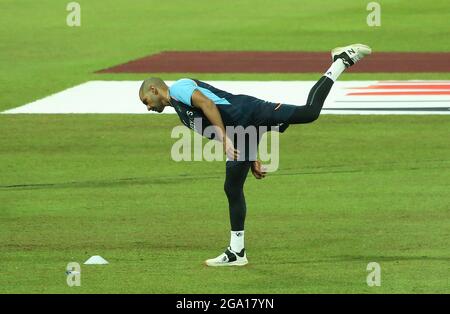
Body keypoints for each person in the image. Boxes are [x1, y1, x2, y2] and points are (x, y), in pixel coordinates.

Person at [138, 44, 372, 266]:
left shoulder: (179, 88)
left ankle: (341, 61)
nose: (148, 107)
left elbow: (208, 104)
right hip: (243, 131)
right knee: (232, 187)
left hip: (250, 111)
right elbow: (218, 123)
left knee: (309, 112)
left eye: (146, 101)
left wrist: (226, 140)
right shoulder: (179, 109)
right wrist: (251, 157)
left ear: (154, 89)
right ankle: (237, 252)